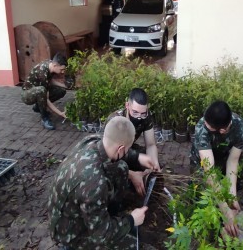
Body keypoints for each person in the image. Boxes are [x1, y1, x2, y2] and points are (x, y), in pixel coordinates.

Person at [48, 116, 155, 249]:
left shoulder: (92, 140)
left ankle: (112, 217)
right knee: (137, 247)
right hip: (71, 233)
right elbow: (101, 235)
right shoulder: (94, 183)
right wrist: (132, 220)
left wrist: (137, 157)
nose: (127, 152)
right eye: (127, 150)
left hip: (73, 209)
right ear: (121, 149)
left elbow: (116, 150)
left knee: (121, 167)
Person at [189, 100, 243, 238]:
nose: (204, 124)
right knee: (202, 198)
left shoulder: (240, 126)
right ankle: (219, 203)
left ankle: (226, 197)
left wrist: (231, 197)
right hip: (203, 163)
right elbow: (209, 171)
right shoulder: (202, 128)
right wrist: (226, 211)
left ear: (223, 130)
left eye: (209, 127)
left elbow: (232, 161)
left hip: (225, 158)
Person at [105, 88, 160, 196]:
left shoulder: (146, 117)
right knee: (118, 182)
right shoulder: (115, 121)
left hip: (128, 149)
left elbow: (151, 144)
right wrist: (131, 174)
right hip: (113, 152)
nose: (139, 117)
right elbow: (108, 158)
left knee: (149, 161)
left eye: (143, 113)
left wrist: (153, 164)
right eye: (135, 112)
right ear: (127, 105)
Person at [21, 53, 68, 130]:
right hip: (27, 94)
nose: (63, 72)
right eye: (61, 69)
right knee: (42, 91)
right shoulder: (41, 72)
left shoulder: (51, 65)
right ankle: (44, 118)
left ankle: (38, 107)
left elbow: (50, 80)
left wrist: (65, 86)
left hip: (38, 90)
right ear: (55, 65)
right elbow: (46, 99)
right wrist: (60, 113)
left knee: (61, 91)